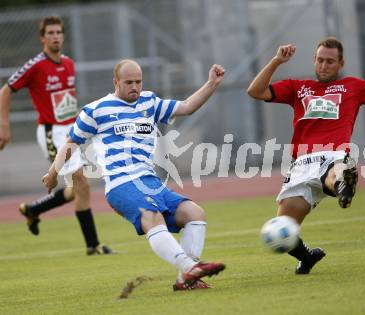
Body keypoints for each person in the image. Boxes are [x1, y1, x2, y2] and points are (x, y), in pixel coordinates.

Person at [247, 37, 365, 274]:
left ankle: (342, 184)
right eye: (320, 60)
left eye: (330, 61)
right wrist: (277, 61)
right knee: (283, 227)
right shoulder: (298, 87)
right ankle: (307, 257)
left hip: (333, 154)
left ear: (341, 63)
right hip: (301, 164)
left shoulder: (353, 86)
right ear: (314, 61)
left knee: (333, 172)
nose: (324, 65)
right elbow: (255, 91)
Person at [42, 59, 226, 290]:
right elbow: (70, 143)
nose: (135, 87)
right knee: (153, 217)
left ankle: (185, 279)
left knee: (195, 214)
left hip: (150, 181)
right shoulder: (96, 110)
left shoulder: (149, 102)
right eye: (129, 82)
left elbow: (187, 106)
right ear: (115, 82)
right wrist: (52, 173)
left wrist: (211, 83)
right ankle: (190, 267)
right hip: (121, 183)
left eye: (138, 81)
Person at [0, 16, 113, 255]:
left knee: (80, 187)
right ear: (43, 38)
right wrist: (3, 125)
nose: (55, 36)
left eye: (59, 32)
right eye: (50, 33)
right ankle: (93, 246)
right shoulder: (35, 65)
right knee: (81, 181)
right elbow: (6, 90)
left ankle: (33, 210)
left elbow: (66, 103)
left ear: (63, 36)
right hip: (51, 132)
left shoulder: (69, 63)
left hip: (71, 132)